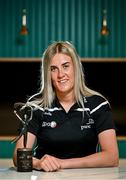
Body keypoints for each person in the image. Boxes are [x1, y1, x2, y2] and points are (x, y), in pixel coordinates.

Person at [13, 41, 119, 172]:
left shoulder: (98, 104)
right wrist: (38, 163)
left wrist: (62, 163)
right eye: (53, 69)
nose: (60, 74)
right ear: (48, 74)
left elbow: (112, 157)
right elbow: (18, 156)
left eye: (65, 66)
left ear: (76, 68)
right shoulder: (35, 106)